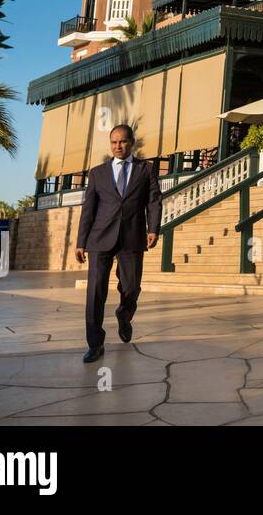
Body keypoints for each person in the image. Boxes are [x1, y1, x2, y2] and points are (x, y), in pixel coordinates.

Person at [74, 124, 162, 363]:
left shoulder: (146, 170)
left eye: (122, 142)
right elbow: (88, 209)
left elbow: (154, 201)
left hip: (132, 237)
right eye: (113, 142)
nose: (118, 146)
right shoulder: (97, 173)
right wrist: (81, 242)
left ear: (131, 142)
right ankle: (95, 343)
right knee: (95, 292)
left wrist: (153, 228)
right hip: (100, 238)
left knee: (132, 287)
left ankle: (124, 314)